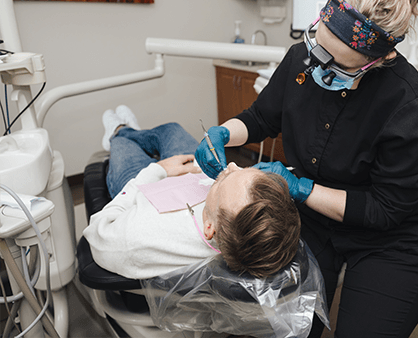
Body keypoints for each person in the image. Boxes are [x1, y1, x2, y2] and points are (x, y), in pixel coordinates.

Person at [195, 0, 418, 338]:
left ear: (376, 60)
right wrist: (224, 134)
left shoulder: (407, 103)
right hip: (314, 223)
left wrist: (303, 190)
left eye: (336, 64)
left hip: (390, 239)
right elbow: (261, 117)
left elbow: (385, 209)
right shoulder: (301, 59)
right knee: (291, 329)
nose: (316, 67)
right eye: (317, 45)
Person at [83, 106, 301, 280]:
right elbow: (236, 195)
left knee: (122, 144)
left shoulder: (134, 238)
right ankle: (137, 134)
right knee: (171, 129)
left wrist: (157, 170)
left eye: (223, 179)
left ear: (209, 228)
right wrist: (223, 180)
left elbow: (98, 227)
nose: (232, 164)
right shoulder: (235, 218)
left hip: (141, 187)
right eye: (243, 170)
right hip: (191, 175)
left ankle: (121, 130)